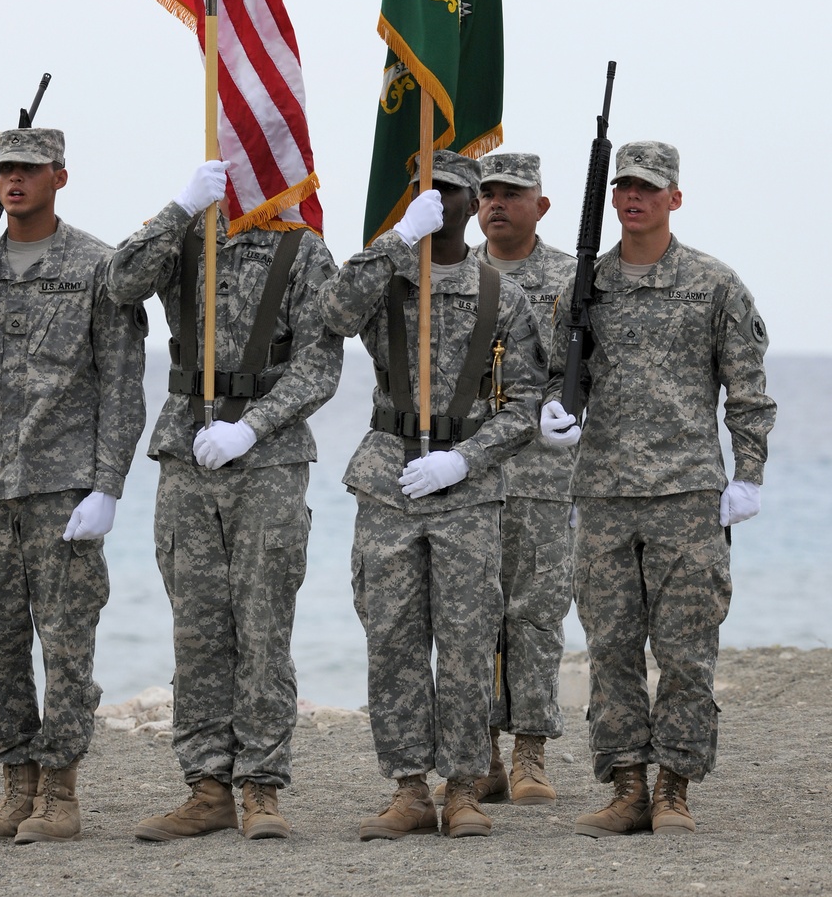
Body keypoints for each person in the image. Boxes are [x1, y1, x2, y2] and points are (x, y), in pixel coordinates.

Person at [0, 127, 147, 844]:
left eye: (30, 169)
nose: (16, 180)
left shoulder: (99, 267)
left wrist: (108, 487)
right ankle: (16, 787)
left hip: (63, 488)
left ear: (59, 178)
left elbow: (123, 388)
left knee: (68, 644)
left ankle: (62, 794)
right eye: (6, 169)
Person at [105, 160, 343, 843]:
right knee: (198, 631)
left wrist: (253, 424)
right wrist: (178, 207)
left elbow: (320, 364)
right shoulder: (183, 239)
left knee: (264, 627)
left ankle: (262, 788)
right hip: (187, 451)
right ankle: (206, 787)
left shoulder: (303, 249)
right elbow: (121, 282)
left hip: (267, 460)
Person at [544, 141, 775, 837]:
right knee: (609, 647)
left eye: (648, 187)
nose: (633, 197)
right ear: (612, 198)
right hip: (606, 496)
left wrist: (750, 473)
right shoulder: (586, 286)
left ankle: (674, 786)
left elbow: (749, 392)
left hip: (686, 497)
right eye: (624, 187)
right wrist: (553, 414)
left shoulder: (715, 284)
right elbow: (557, 374)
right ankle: (626, 787)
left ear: (675, 197)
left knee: (685, 650)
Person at [317, 149, 547, 841]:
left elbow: (527, 402)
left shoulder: (500, 294)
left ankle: (466, 786)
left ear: (472, 202)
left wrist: (465, 459)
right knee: (391, 639)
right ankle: (410, 787)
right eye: (424, 189)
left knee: (469, 641)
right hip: (389, 475)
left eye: (449, 190)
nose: (436, 199)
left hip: (466, 487)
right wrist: (392, 239)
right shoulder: (389, 281)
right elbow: (332, 310)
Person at [468, 151, 577, 806]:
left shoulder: (572, 276)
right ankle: (482, 750)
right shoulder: (454, 270)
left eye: (512, 192)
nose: (497, 203)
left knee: (535, 611)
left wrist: (582, 417)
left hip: (542, 469)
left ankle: (530, 750)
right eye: (488, 193)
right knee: (471, 610)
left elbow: (594, 363)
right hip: (470, 463)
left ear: (541, 203)